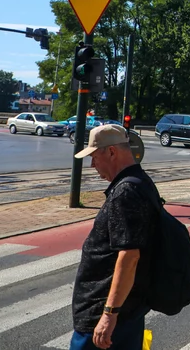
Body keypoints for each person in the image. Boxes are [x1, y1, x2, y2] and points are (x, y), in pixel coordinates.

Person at [71, 124, 157, 350]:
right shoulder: (140, 181)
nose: (92, 165)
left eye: (94, 157)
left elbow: (129, 256)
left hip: (106, 313)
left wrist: (109, 314)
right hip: (128, 308)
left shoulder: (125, 192)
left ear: (111, 152)